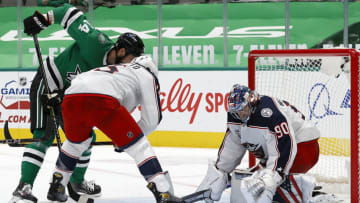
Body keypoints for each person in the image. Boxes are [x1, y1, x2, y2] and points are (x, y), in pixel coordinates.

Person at [9, 3, 144, 203]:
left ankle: (75, 183)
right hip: (48, 82)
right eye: (132, 59)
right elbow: (67, 12)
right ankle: (22, 188)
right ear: (122, 51)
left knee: (85, 138)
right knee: (43, 137)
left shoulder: (118, 75)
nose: (132, 66)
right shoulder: (96, 42)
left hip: (70, 96)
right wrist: (43, 19)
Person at [45, 54, 184, 203]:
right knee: (140, 147)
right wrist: (127, 141)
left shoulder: (118, 70)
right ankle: (163, 192)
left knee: (74, 144)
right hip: (101, 99)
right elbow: (152, 120)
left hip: (71, 98)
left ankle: (56, 186)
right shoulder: (147, 75)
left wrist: (121, 138)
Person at [196, 84, 323, 203]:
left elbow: (285, 143)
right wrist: (221, 172)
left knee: (267, 186)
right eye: (237, 111)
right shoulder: (235, 115)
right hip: (283, 150)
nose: (241, 113)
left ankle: (311, 197)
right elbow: (232, 145)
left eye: (243, 109)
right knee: (250, 182)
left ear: (251, 102)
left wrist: (274, 174)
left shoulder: (268, 112)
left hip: (304, 147)